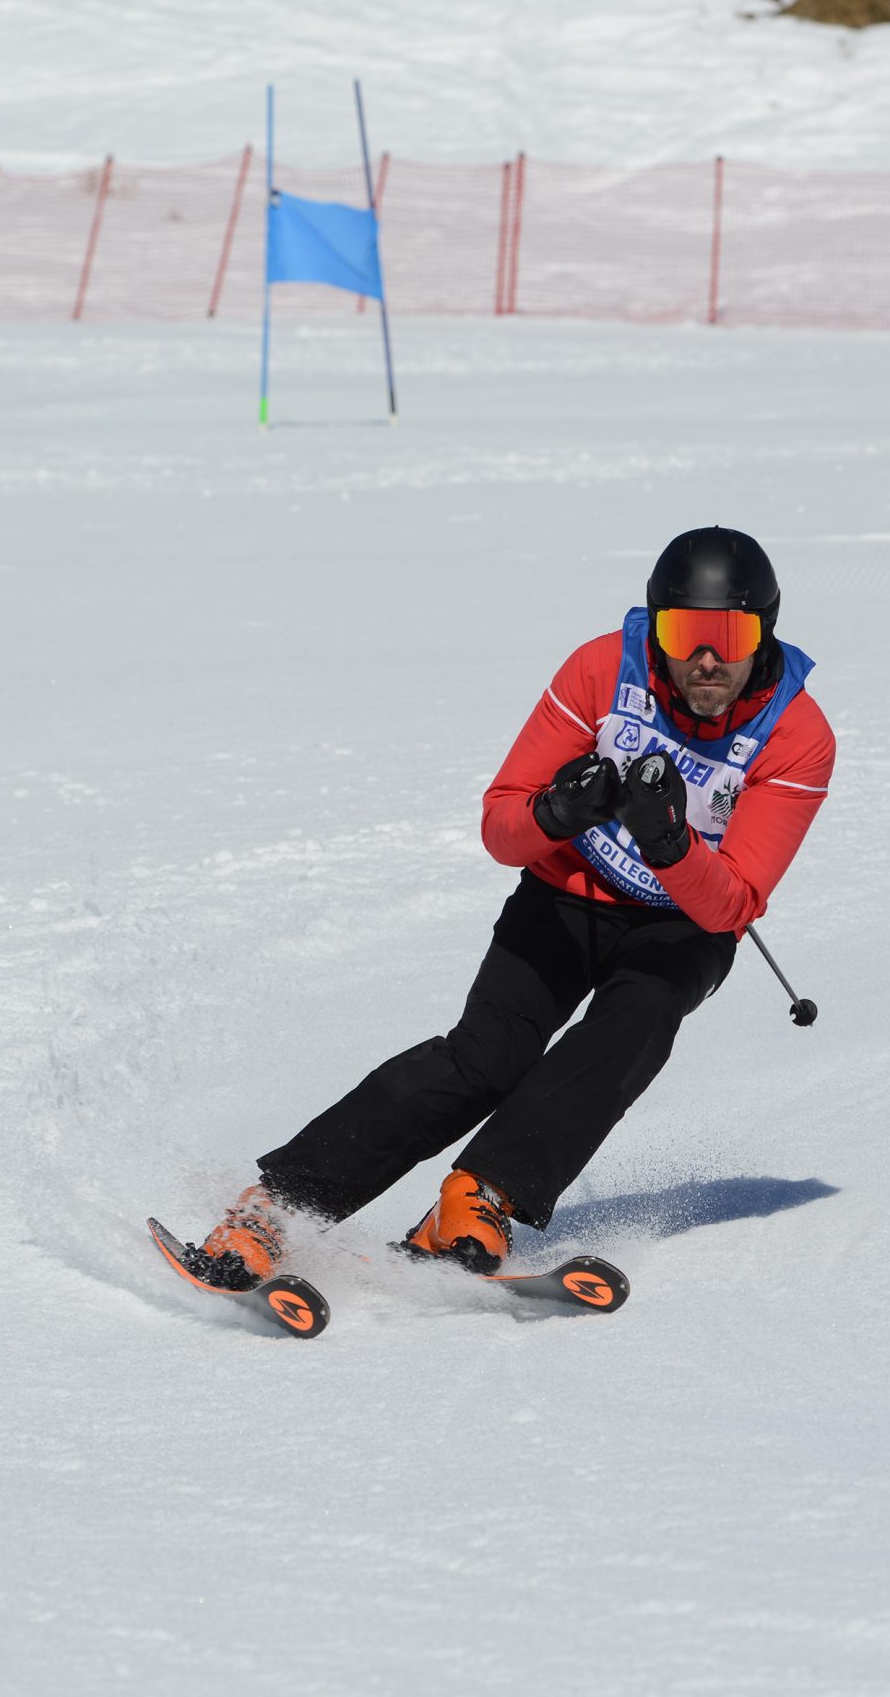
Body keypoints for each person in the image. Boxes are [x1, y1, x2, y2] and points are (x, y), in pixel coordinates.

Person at [179, 525, 836, 1285]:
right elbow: (501, 826)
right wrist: (558, 811)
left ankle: (478, 1197)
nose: (707, 659)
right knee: (486, 1058)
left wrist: (668, 843)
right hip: (567, 891)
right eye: (684, 634)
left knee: (633, 1027)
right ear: (657, 629)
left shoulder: (797, 735)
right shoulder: (602, 670)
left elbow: (733, 904)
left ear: (766, 632)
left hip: (681, 926)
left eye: (732, 636)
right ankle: (280, 1205)